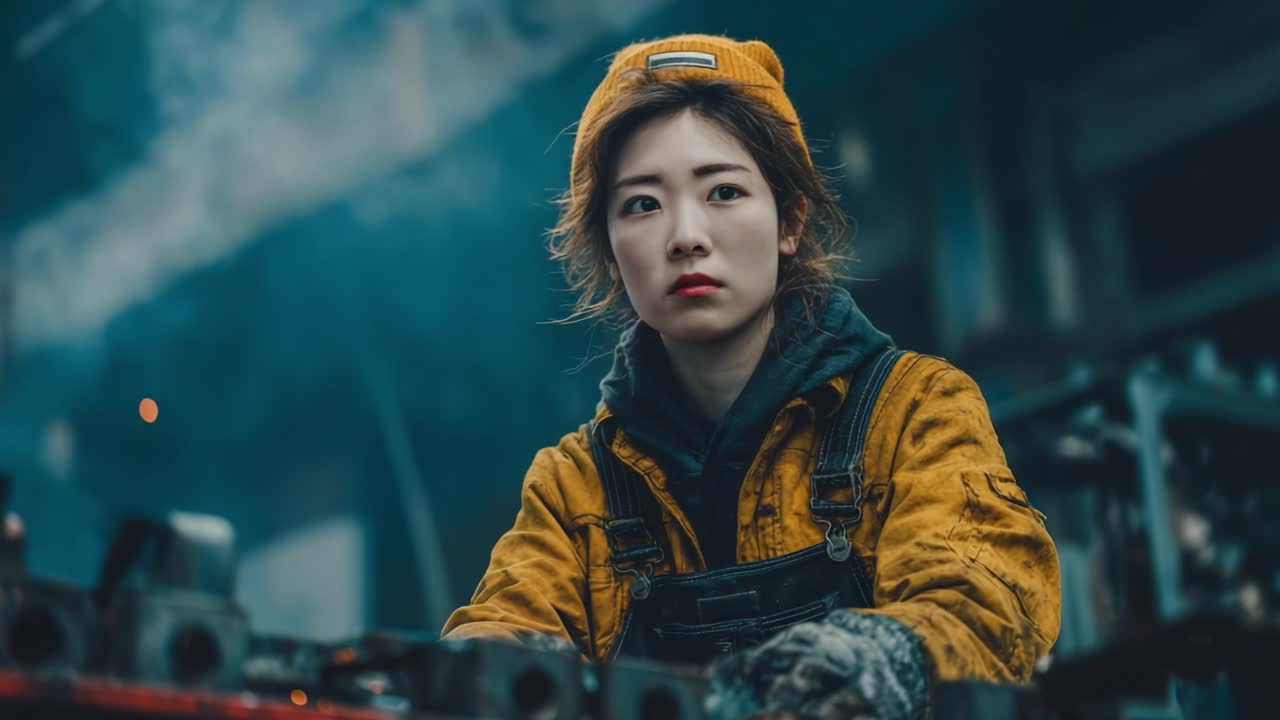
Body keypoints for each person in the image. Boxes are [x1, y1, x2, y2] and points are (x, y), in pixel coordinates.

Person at [441, 34, 1060, 719]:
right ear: (612, 255)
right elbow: (497, 642)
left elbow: (987, 599)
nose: (686, 235)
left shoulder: (916, 410)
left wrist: (887, 654)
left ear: (790, 220)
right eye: (641, 204)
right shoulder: (573, 489)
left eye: (724, 191)